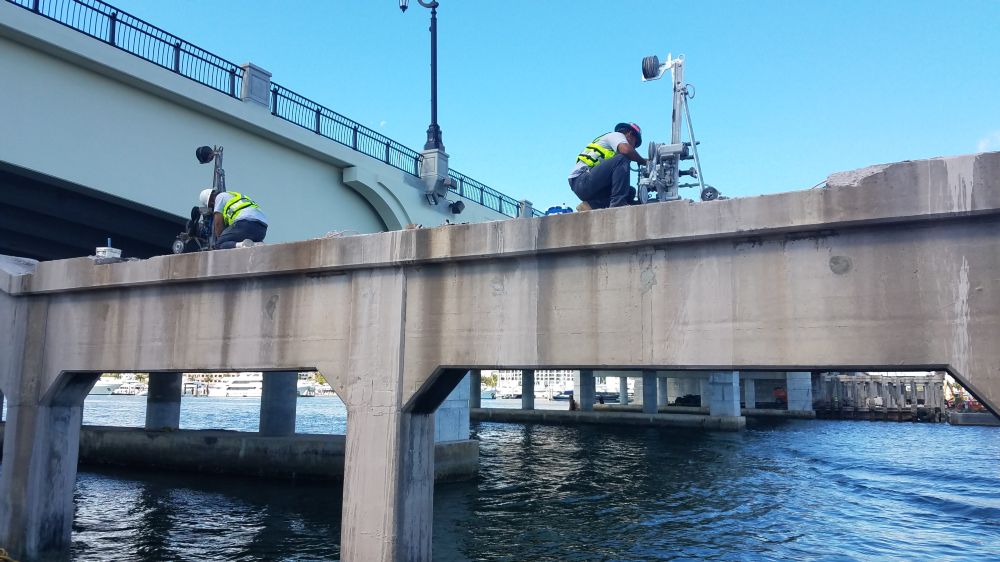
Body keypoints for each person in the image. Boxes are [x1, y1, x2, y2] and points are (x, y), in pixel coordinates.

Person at [568, 122, 648, 209]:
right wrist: (643, 161)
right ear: (630, 134)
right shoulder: (616, 135)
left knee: (630, 192)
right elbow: (626, 151)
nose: (634, 148)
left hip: (589, 184)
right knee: (622, 158)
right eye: (635, 144)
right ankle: (618, 203)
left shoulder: (614, 151)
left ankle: (591, 205)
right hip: (581, 180)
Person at [199, 189, 268, 250]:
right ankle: (256, 243)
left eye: (211, 205)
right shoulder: (235, 196)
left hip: (245, 224)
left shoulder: (219, 197)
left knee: (219, 244)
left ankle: (242, 245)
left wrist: (221, 239)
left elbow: (218, 223)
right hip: (261, 228)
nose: (213, 206)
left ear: (211, 200)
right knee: (242, 237)